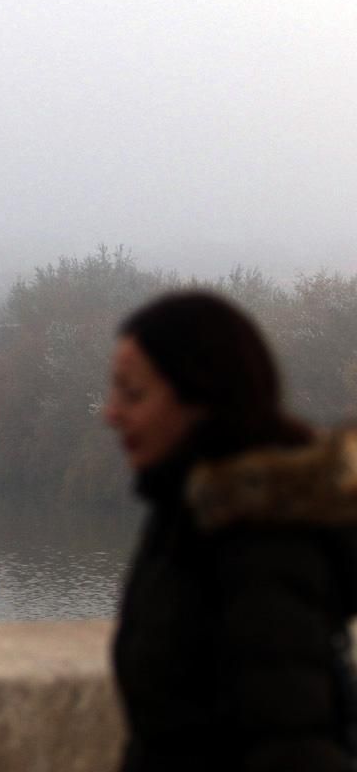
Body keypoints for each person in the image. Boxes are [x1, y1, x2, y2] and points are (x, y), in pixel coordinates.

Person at [104, 291, 357, 772]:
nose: (110, 412)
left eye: (132, 394)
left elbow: (292, 746)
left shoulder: (260, 540)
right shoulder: (186, 510)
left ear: (200, 399)